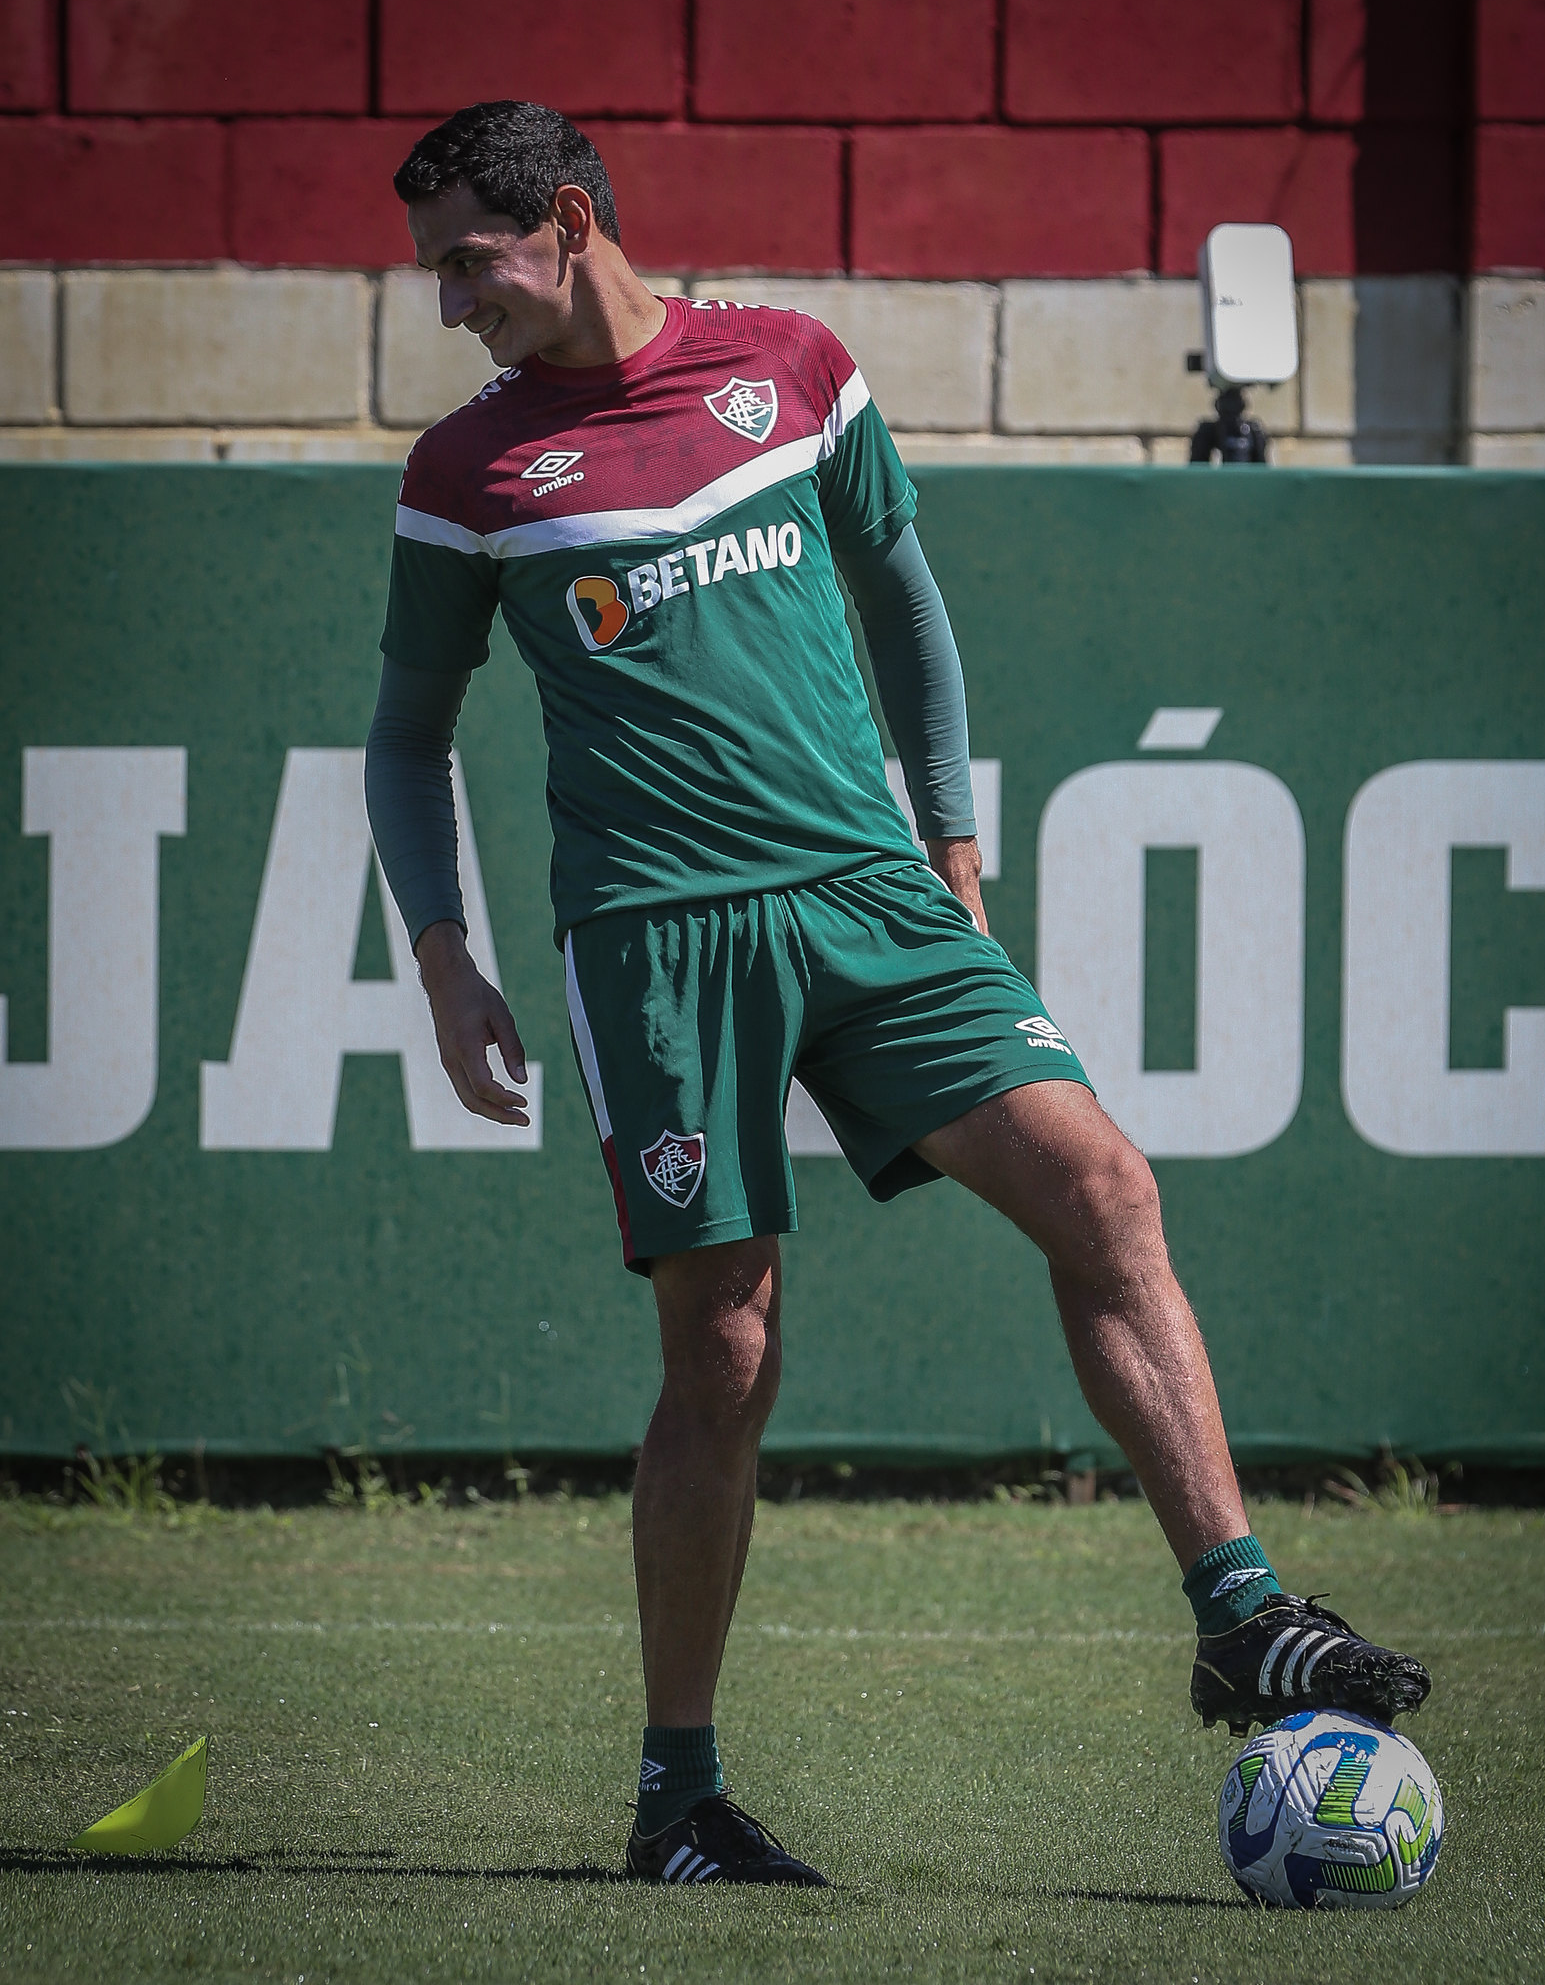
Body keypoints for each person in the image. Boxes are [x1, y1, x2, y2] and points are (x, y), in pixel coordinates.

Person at [365, 99, 1430, 1889]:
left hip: (869, 896)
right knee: (724, 1354)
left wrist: (951, 845)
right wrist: (447, 955)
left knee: (1102, 1189)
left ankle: (1241, 1615)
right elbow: (405, 739)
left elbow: (906, 607)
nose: (451, 300)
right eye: (434, 273)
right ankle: (677, 1798)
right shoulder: (463, 472)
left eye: (470, 259)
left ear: (564, 218)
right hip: (657, 933)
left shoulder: (791, 366)